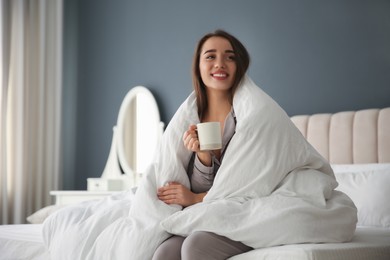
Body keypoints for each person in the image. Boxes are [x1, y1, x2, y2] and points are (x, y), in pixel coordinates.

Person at [153, 30, 253, 260]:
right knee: (164, 253)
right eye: (210, 56)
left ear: (240, 65)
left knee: (195, 246)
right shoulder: (191, 117)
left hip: (242, 215)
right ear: (198, 66)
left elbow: (249, 186)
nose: (220, 63)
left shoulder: (251, 117)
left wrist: (195, 199)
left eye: (230, 57)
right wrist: (203, 156)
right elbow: (200, 185)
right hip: (208, 216)